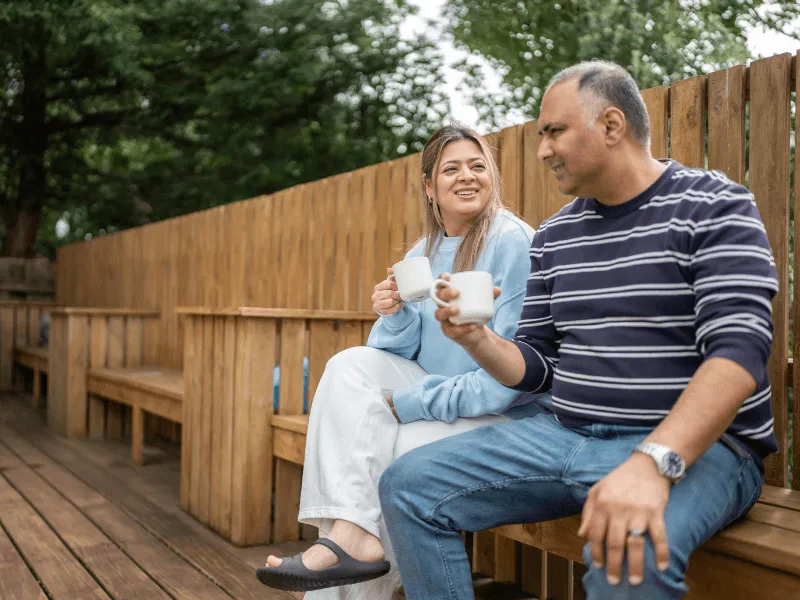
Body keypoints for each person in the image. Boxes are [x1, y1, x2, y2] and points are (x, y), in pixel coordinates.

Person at [378, 61, 776, 600]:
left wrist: (653, 462)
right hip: (564, 435)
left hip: (696, 448)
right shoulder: (557, 236)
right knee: (407, 486)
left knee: (627, 546)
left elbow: (738, 356)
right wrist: (478, 339)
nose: (542, 149)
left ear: (611, 126)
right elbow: (536, 367)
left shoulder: (713, 205)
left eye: (554, 132)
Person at [256, 122, 549, 596]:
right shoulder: (423, 253)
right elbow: (394, 353)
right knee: (347, 365)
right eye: (451, 169)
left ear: (492, 177)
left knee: (394, 455)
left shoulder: (514, 242)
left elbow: (513, 376)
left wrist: (413, 404)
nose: (467, 176)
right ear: (430, 188)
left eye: (478, 166)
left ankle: (343, 548)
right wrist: (392, 315)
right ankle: (353, 536)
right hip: (437, 394)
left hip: (499, 412)